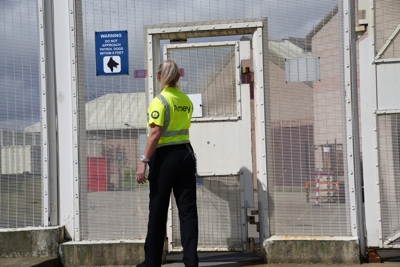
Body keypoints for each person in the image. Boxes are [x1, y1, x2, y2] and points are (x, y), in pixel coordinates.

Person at [136, 60, 199, 267]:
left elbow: (155, 133)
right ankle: (191, 262)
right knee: (188, 211)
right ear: (178, 77)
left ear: (159, 76)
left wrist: (143, 161)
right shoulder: (186, 100)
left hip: (164, 158)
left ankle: (152, 262)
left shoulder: (159, 101)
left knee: (158, 210)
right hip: (186, 155)